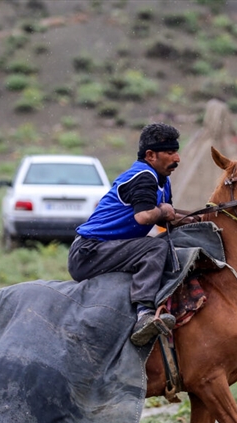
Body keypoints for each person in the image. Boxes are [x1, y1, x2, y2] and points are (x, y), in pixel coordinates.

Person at [68, 123, 185, 346]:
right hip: (88, 252)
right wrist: (163, 211)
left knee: (165, 243)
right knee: (156, 247)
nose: (177, 158)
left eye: (176, 151)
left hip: (106, 249)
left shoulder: (162, 180)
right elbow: (144, 217)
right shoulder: (143, 176)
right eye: (170, 152)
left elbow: (167, 219)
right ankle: (144, 314)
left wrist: (198, 219)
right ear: (150, 155)